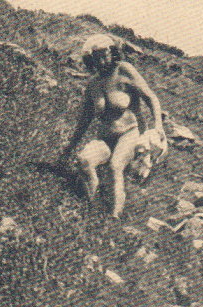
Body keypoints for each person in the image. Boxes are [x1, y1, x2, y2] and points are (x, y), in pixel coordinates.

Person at [57, 34, 166, 218]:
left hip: (130, 132)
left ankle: (114, 217)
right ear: (90, 60)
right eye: (96, 58)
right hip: (106, 137)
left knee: (115, 167)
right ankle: (92, 209)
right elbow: (84, 120)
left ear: (112, 53)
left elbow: (151, 97)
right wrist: (70, 147)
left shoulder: (124, 70)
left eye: (104, 55)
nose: (102, 61)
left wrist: (158, 125)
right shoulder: (93, 84)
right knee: (84, 160)